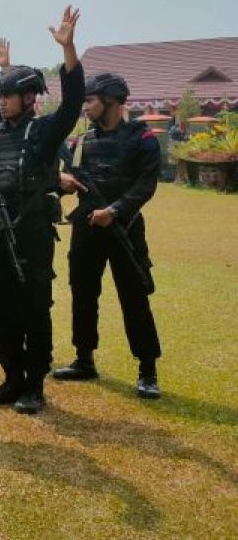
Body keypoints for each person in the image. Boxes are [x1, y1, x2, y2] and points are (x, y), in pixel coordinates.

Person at [0, 8, 85, 414]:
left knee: (34, 308)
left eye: (8, 96)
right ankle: (11, 377)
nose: (1, 103)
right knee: (1, 306)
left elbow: (73, 103)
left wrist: (69, 49)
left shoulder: (42, 133)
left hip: (32, 233)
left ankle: (34, 384)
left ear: (28, 98)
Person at [54, 71, 163, 399]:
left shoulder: (142, 139)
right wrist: (62, 181)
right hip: (87, 228)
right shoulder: (81, 142)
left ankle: (147, 369)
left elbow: (146, 185)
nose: (85, 107)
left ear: (111, 100)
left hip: (124, 227)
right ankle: (83, 359)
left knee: (134, 296)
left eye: (89, 100)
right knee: (83, 292)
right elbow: (71, 177)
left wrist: (113, 211)